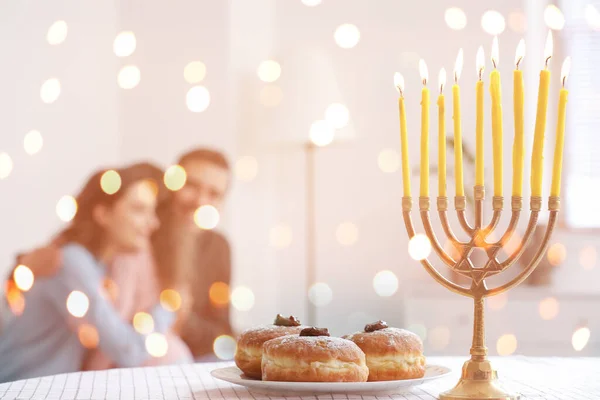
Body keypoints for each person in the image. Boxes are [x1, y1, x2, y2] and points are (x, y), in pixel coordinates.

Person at [0, 166, 175, 382]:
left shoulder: (97, 266)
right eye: (139, 210)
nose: (153, 223)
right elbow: (128, 351)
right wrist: (167, 306)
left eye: (153, 211)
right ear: (102, 213)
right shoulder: (72, 262)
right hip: (19, 387)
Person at [153, 148, 233, 360]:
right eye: (192, 186)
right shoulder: (145, 229)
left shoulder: (218, 246)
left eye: (213, 194)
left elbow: (222, 328)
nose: (200, 201)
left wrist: (185, 320)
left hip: (193, 356)